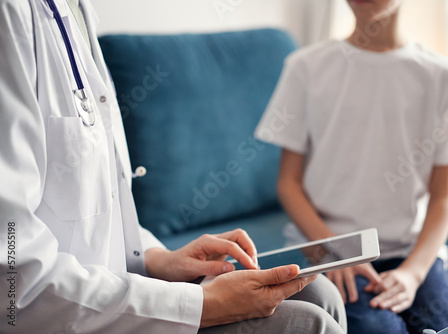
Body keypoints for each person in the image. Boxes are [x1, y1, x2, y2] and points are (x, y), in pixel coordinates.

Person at [0, 0, 347, 333]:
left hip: (108, 293)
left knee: (319, 293)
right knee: (308, 324)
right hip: (62, 315)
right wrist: (202, 305)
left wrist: (157, 258)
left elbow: (94, 213)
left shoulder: (75, 11)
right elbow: (14, 287)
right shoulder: (10, 16)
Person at [255, 0, 448, 333]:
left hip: (410, 250)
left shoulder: (442, 76)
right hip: (331, 250)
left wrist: (414, 272)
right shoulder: (305, 67)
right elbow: (288, 184)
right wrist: (332, 250)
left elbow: (443, 197)